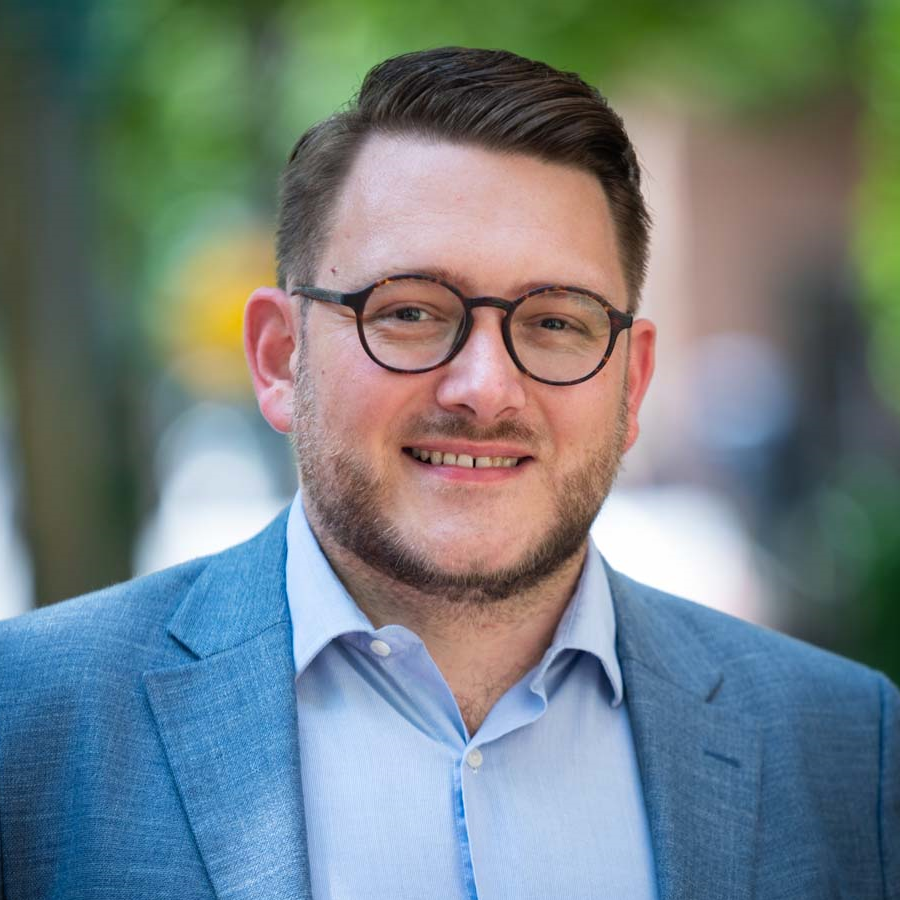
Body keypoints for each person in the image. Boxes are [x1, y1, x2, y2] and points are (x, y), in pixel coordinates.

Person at [0, 46, 897, 900]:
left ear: (633, 386)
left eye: (556, 322)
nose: (483, 389)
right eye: (413, 311)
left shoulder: (850, 749)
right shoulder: (29, 725)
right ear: (279, 359)